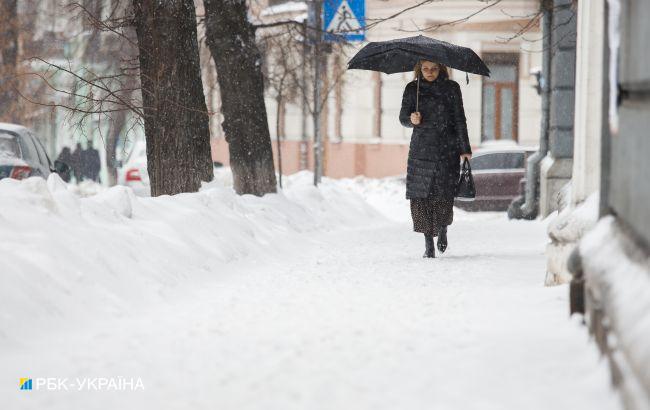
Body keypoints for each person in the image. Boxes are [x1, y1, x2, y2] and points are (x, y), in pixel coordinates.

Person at [399, 60, 472, 258]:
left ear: (441, 69)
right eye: (425, 69)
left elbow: (459, 119)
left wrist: (465, 149)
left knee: (443, 194)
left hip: (446, 150)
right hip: (421, 151)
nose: (429, 72)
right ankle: (428, 245)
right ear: (419, 69)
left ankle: (442, 229)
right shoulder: (412, 89)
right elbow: (402, 117)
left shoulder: (452, 88)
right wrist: (410, 120)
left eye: (433, 69)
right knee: (420, 197)